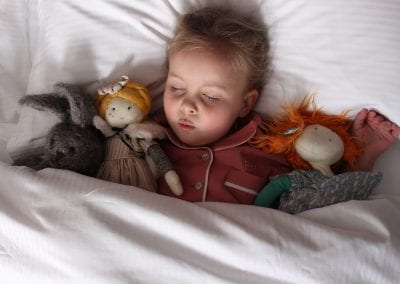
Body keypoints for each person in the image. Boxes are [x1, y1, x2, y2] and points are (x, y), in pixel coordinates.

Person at [154, 6, 400, 204]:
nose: (187, 106)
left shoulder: (268, 148)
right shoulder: (145, 142)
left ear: (245, 104)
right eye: (177, 88)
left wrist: (358, 158)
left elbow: (319, 200)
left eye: (211, 96)